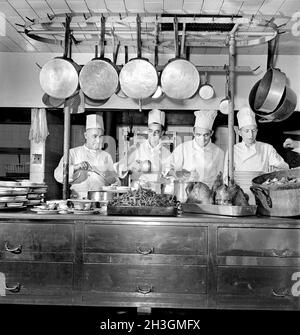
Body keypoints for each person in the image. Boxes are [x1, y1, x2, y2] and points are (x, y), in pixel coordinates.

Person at [223, 106, 289, 202]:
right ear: (239, 132)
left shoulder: (267, 148)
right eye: (247, 131)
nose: (250, 135)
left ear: (257, 131)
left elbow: (285, 168)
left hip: (263, 195)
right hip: (239, 197)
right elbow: (226, 177)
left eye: (253, 131)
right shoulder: (233, 150)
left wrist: (276, 170)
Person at [54, 114, 119, 199]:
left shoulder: (106, 156)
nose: (98, 140)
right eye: (94, 136)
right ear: (85, 135)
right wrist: (75, 167)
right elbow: (58, 176)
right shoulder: (72, 153)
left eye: (101, 136)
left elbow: (116, 181)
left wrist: (112, 180)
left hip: (100, 199)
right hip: (78, 199)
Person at [114, 109, 171, 193]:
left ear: (162, 133)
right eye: (150, 131)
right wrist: (130, 167)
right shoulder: (135, 148)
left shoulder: (166, 153)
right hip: (136, 192)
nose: (153, 134)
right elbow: (118, 167)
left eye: (157, 132)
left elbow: (170, 176)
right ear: (148, 131)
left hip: (156, 193)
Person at [169, 110, 224, 188]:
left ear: (211, 133)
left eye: (206, 135)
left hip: (208, 195)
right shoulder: (182, 148)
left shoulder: (219, 152)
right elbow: (168, 170)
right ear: (193, 132)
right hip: (185, 194)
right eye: (198, 134)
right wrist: (181, 174)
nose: (202, 139)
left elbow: (221, 178)